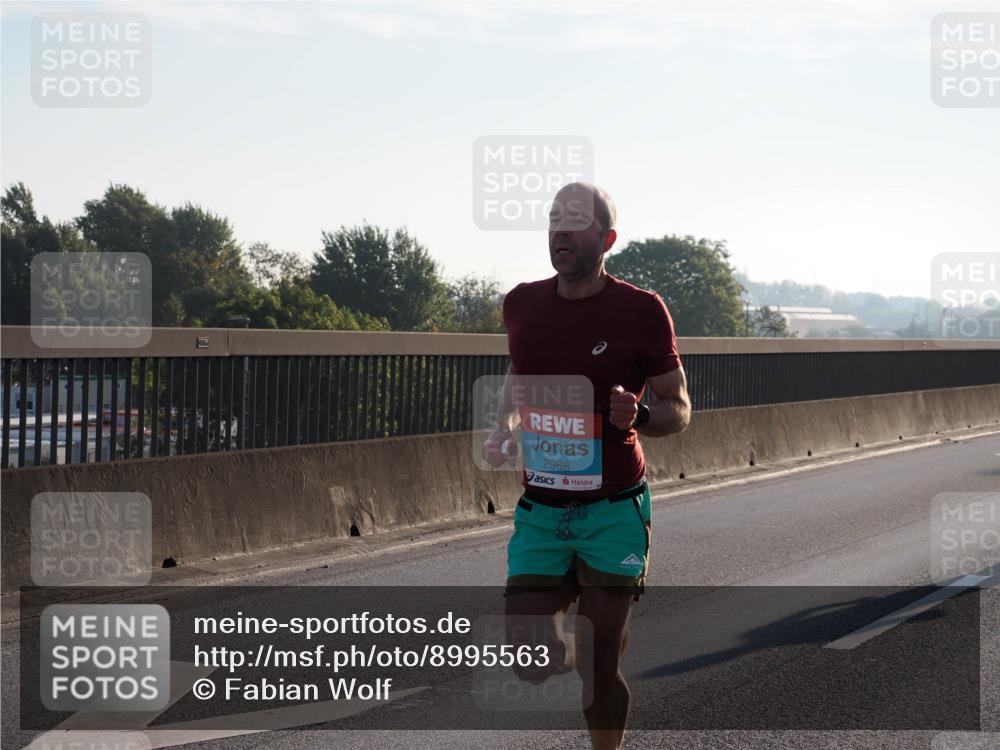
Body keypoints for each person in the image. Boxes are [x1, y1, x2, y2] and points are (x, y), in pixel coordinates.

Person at [482, 182, 691, 750]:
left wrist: (644, 413)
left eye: (575, 220)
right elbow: (517, 378)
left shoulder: (642, 311)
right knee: (530, 661)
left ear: (607, 239)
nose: (560, 230)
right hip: (542, 511)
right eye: (553, 219)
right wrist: (506, 425)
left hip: (613, 509)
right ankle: (588, 640)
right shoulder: (521, 303)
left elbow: (680, 408)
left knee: (598, 670)